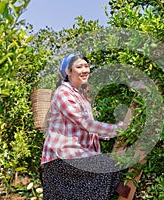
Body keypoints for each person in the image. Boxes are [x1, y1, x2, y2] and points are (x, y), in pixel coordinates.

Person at [41, 54, 130, 200]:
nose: (84, 70)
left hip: (77, 156)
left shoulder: (80, 97)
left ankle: (121, 189)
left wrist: (112, 133)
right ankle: (122, 190)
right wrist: (118, 129)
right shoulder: (63, 93)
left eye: (86, 66)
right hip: (61, 159)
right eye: (79, 67)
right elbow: (86, 124)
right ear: (68, 72)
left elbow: (89, 130)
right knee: (105, 165)